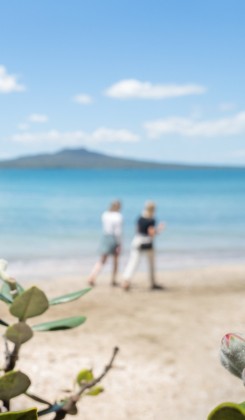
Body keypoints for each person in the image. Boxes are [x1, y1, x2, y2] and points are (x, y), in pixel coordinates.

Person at [122, 201, 165, 291]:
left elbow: (137, 230)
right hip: (147, 242)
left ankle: (126, 280)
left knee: (133, 262)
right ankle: (152, 282)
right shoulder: (152, 220)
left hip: (137, 240)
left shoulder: (140, 218)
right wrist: (159, 229)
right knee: (151, 263)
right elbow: (151, 233)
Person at [88, 200, 123, 287]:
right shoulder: (118, 216)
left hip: (105, 237)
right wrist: (119, 243)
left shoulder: (105, 214)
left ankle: (92, 276)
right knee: (115, 260)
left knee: (102, 260)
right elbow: (118, 232)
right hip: (114, 238)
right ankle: (113, 280)